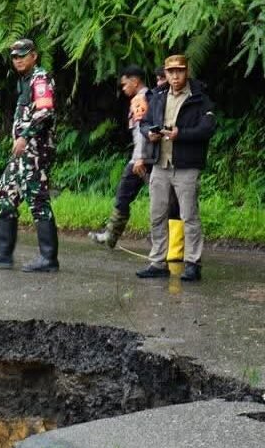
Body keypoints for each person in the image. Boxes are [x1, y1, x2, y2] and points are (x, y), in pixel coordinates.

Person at [0, 38, 60, 272]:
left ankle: (48, 258)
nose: (18, 59)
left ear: (34, 55)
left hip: (35, 150)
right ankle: (3, 254)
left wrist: (24, 135)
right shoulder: (24, 81)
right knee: (6, 191)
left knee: (37, 199)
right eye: (14, 56)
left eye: (23, 55)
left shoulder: (40, 78)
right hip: (22, 153)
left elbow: (44, 112)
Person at [135, 54, 215, 282]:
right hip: (160, 163)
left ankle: (192, 263)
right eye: (171, 72)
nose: (175, 76)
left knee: (189, 215)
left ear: (186, 71)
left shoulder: (199, 98)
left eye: (179, 71)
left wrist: (182, 135)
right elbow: (144, 122)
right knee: (156, 215)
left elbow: (208, 128)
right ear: (166, 74)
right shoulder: (158, 95)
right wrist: (149, 132)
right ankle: (158, 262)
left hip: (186, 165)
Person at [88, 67, 185, 256]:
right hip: (156, 157)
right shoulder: (154, 96)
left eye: (124, 84)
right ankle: (174, 247)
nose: (123, 88)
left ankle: (112, 235)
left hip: (143, 158)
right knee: (168, 201)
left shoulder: (140, 99)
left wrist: (140, 158)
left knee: (125, 194)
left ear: (135, 81)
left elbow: (142, 132)